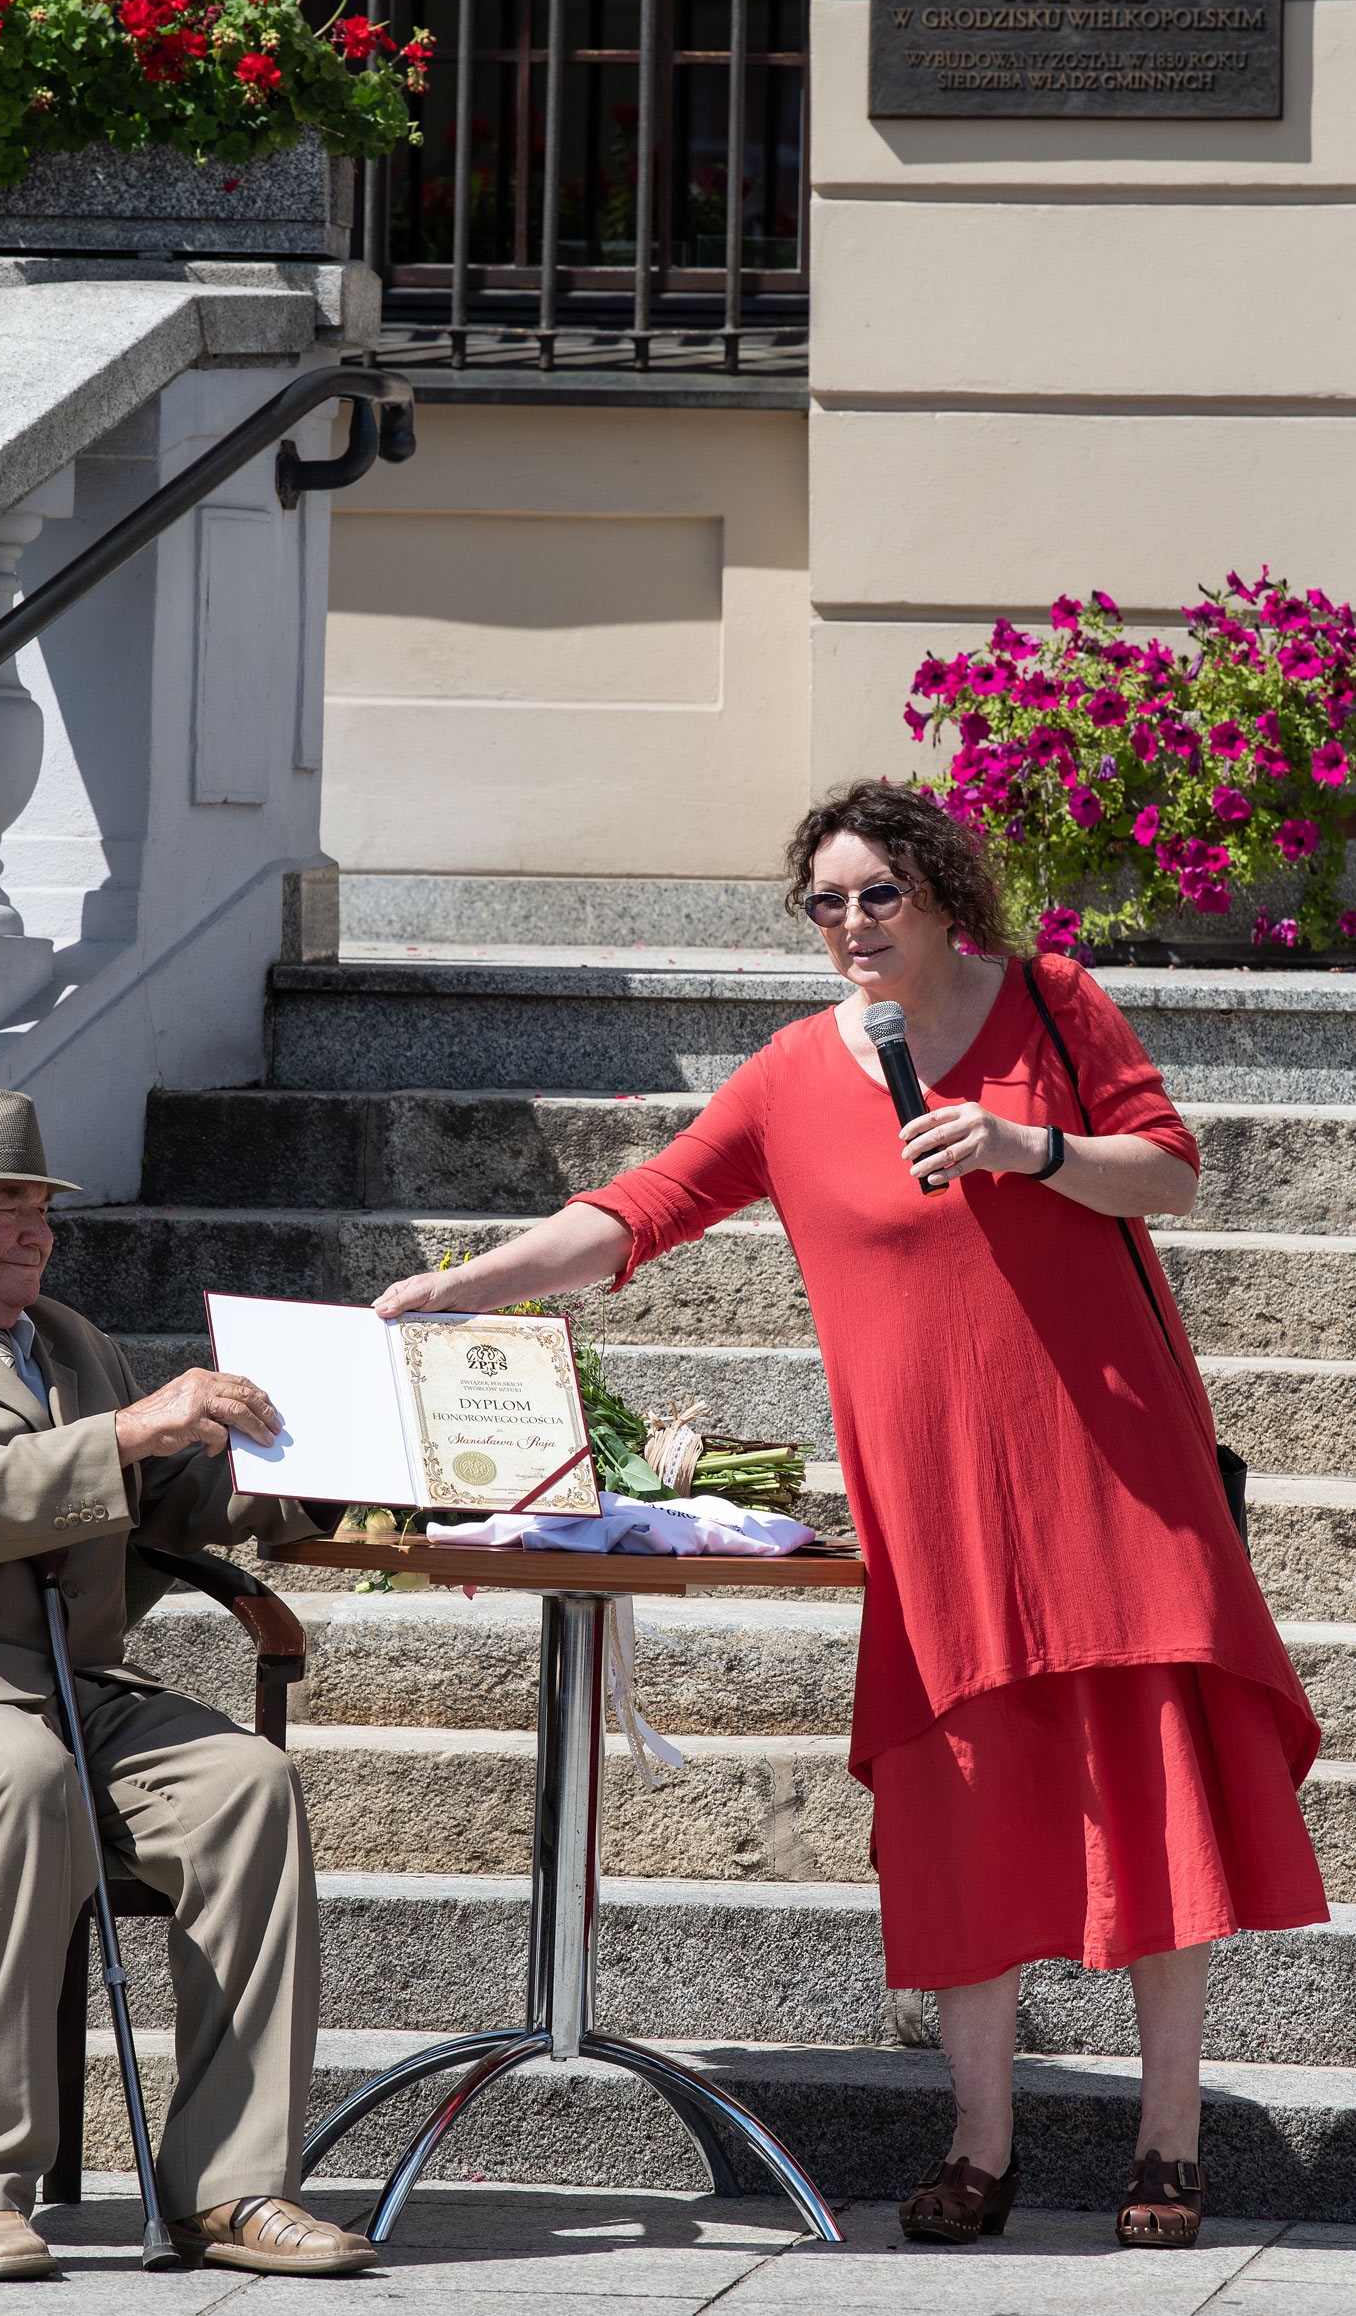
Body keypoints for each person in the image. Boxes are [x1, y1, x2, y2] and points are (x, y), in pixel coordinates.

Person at [372, 778, 1326, 2252]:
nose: (854, 923)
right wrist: (461, 1284)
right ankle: (981, 2146)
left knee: (1155, 1802)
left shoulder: (1055, 1004)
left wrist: (1027, 1148)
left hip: (1114, 1475)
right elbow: (640, 1207)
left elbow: (1172, 1171)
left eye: (880, 892)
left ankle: (1170, 2141)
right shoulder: (790, 1076)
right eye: (826, 901)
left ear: (943, 894)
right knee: (961, 1813)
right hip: (938, 1507)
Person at [0, 1084, 376, 2284]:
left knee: (247, 1785)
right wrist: (129, 1432)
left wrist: (337, 1457)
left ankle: (232, 2183)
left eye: (43, 1207)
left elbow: (175, 1501)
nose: (37, 1231)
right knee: (18, 1777)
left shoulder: (67, 1341)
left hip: (61, 1686)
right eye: (7, 1207)